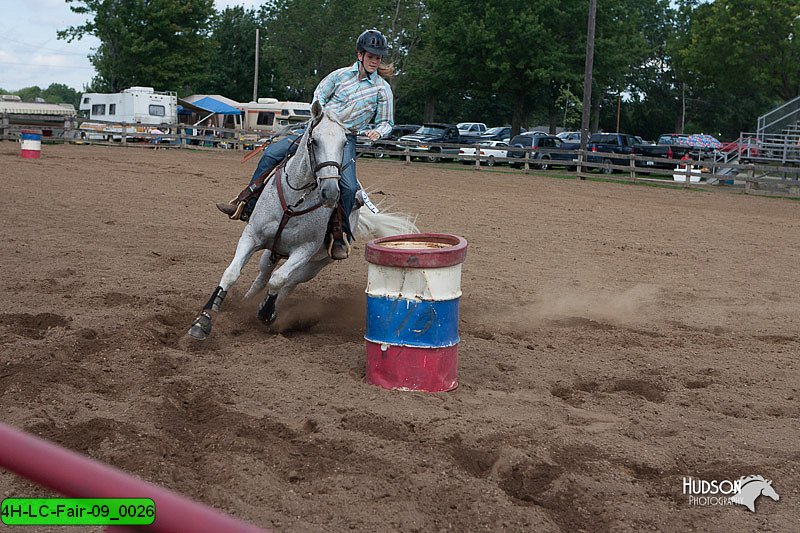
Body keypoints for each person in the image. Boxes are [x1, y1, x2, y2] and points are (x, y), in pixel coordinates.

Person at [216, 29, 394, 261]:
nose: (375, 61)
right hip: (317, 129)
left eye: (378, 57)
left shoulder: (382, 89)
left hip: (345, 138)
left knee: (349, 187)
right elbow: (319, 94)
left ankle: (339, 235)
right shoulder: (338, 76)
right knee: (272, 153)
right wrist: (320, 117)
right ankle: (246, 203)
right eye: (371, 55)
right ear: (360, 54)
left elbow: (387, 122)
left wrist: (377, 131)